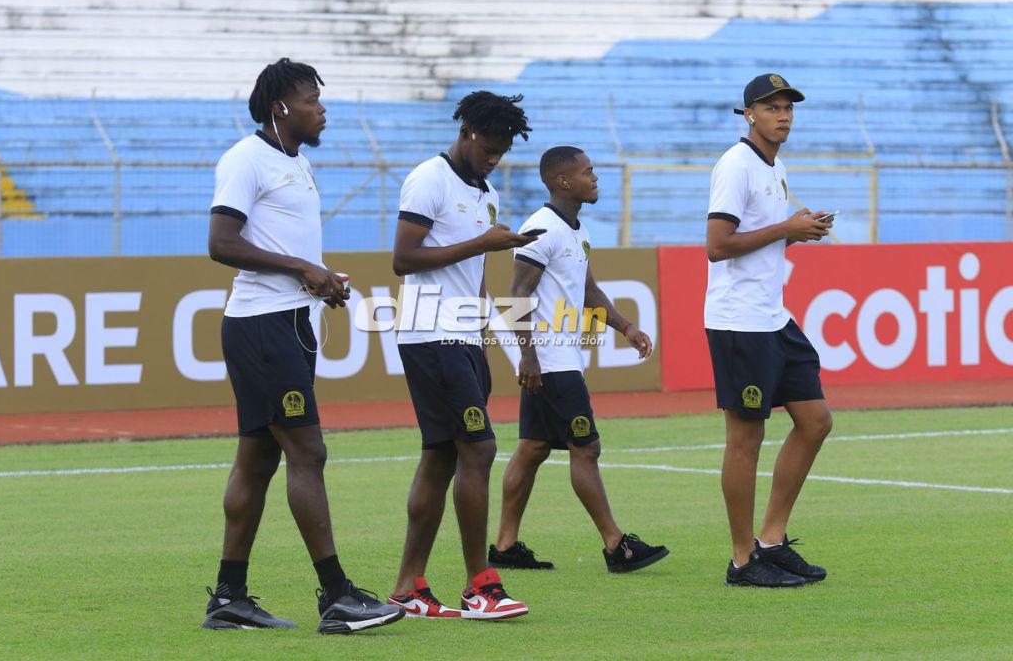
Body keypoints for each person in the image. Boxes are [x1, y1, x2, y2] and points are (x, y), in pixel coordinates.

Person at [203, 58, 404, 633]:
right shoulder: (246, 158)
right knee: (308, 452)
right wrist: (300, 267)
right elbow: (220, 241)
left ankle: (228, 599)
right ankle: (337, 595)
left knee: (259, 457)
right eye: (312, 99)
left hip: (287, 322)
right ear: (280, 108)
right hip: (264, 327)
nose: (322, 109)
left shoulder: (297, 163)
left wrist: (317, 279)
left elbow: (281, 249)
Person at [387, 91, 536, 620]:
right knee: (479, 449)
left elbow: (469, 280)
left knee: (441, 456)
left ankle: (409, 588)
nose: (495, 158)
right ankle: (481, 586)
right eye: (490, 147)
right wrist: (483, 245)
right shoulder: (430, 177)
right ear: (467, 130)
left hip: (462, 337)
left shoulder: (485, 192)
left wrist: (483, 339)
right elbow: (403, 258)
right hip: (430, 332)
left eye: (502, 151)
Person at [487, 146, 669, 574]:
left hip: (560, 357)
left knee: (532, 449)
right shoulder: (542, 229)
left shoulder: (576, 230)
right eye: (588, 172)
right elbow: (517, 295)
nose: (595, 178)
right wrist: (528, 356)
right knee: (586, 448)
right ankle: (616, 545)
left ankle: (504, 546)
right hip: (551, 361)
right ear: (562, 181)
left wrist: (626, 327)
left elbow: (588, 293)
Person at [705, 73, 834, 587]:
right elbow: (717, 244)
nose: (783, 115)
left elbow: (761, 241)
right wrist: (785, 228)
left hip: (772, 317)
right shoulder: (734, 165)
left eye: (788, 108)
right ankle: (742, 561)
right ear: (748, 115)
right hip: (740, 321)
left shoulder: (774, 166)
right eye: (772, 107)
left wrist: (798, 230)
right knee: (746, 439)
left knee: (816, 421)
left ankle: (772, 541)